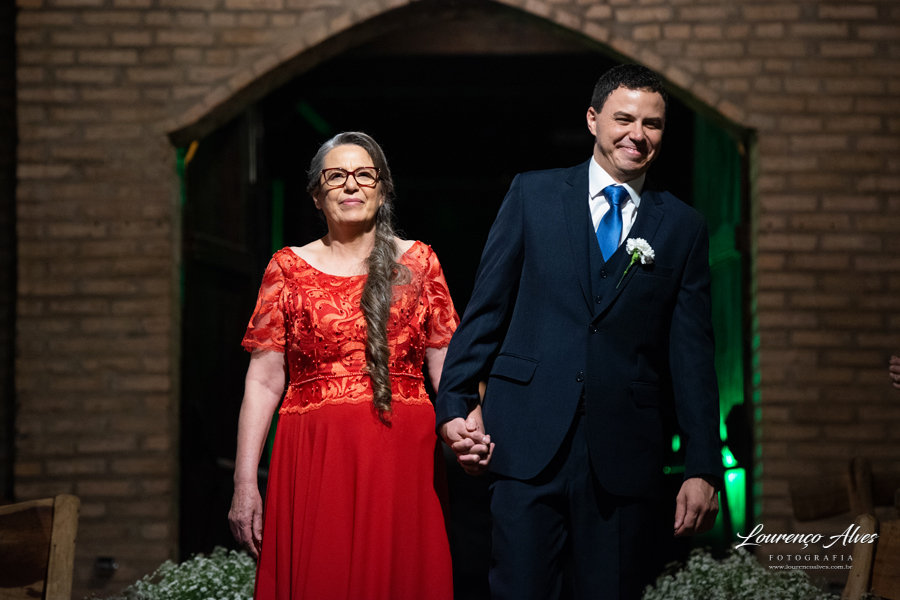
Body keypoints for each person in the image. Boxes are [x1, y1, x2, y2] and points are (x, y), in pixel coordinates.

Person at [435, 64, 723, 600]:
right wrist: (455, 402)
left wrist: (702, 466)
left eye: (653, 124)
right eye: (624, 119)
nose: (638, 135)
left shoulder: (682, 226)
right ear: (593, 120)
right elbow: (486, 309)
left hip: (625, 456)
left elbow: (692, 356)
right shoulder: (533, 194)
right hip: (523, 441)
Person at [228, 132, 485, 600]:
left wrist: (467, 431)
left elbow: (448, 364)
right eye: (336, 176)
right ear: (316, 195)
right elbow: (263, 382)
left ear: (382, 190)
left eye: (365, 175)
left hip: (401, 453)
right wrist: (245, 481)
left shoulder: (419, 262)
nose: (351, 185)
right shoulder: (287, 268)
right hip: (316, 453)